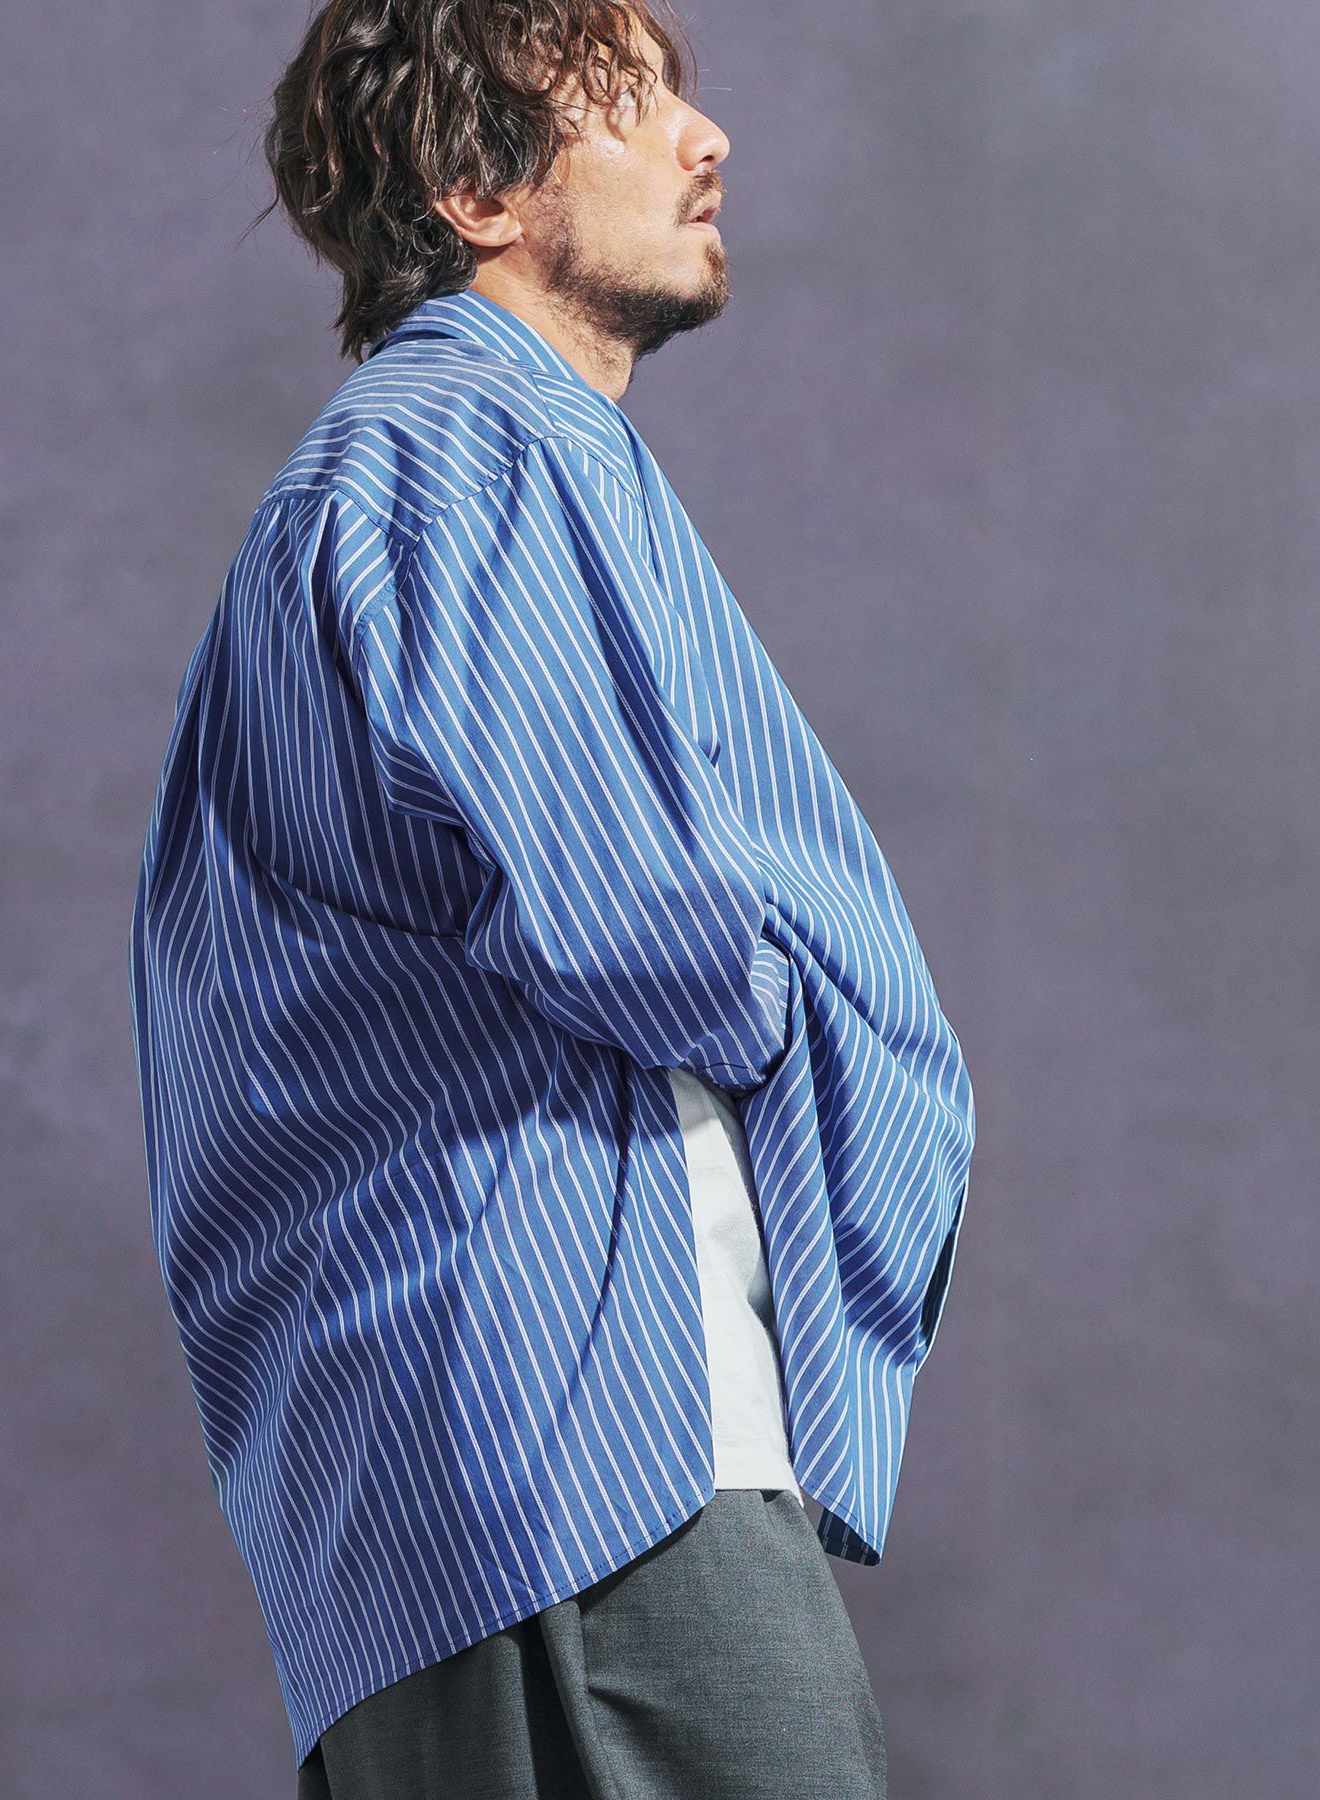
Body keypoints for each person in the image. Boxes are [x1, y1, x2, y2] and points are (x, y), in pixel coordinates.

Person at [127, 1, 976, 1792]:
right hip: (583, 1446)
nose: (704, 136)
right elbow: (642, 929)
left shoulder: (413, 462)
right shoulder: (470, 444)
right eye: (629, 99)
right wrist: (813, 989)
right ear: (475, 190)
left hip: (473, 1476)